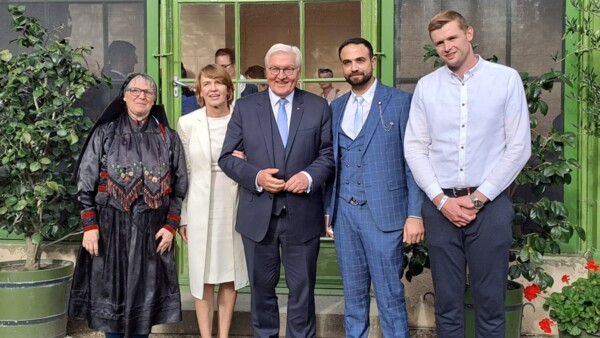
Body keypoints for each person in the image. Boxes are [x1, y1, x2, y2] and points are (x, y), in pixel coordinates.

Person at [404, 11, 531, 338]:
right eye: (439, 43)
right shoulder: (427, 87)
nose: (446, 47)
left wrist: (477, 198)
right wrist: (440, 199)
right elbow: (415, 148)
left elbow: (518, 147)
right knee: (446, 303)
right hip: (439, 205)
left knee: (491, 303)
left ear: (469, 33)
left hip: (489, 205)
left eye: (451, 38)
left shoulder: (505, 79)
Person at [218, 43, 334, 338]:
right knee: (261, 294)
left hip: (303, 216)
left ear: (298, 72)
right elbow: (227, 157)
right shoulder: (245, 108)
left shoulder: (317, 106)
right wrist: (256, 176)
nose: (281, 75)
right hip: (258, 217)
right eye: (274, 69)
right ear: (266, 71)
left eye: (288, 69)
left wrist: (308, 177)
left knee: (302, 294)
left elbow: (328, 155)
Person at [69, 73, 188, 338]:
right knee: (112, 304)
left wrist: (170, 226)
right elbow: (85, 183)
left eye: (148, 92)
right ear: (124, 96)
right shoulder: (104, 134)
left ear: (154, 99)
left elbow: (179, 187)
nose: (141, 96)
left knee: (143, 307)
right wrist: (90, 226)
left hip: (152, 232)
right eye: (135, 90)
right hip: (110, 230)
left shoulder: (168, 137)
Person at [325, 37, 425, 338]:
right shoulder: (336, 107)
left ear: (372, 62)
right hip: (345, 215)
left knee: (390, 296)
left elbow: (414, 162)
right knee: (353, 297)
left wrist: (414, 214)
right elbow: (333, 161)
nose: (354, 67)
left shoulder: (400, 101)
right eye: (347, 62)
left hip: (385, 215)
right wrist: (328, 211)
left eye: (360, 60)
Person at [176, 64, 249, 338]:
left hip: (235, 203)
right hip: (199, 205)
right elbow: (185, 172)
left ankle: (223, 335)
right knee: (202, 274)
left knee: (230, 272)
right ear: (199, 91)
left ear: (229, 90)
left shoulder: (242, 120)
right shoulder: (187, 123)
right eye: (207, 84)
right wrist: (182, 215)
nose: (213, 89)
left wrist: (248, 161)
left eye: (219, 83)